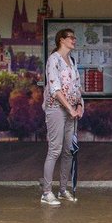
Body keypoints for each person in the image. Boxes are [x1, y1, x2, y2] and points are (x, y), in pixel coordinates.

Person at [41, 28, 84, 206]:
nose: (74, 40)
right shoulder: (54, 60)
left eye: (74, 37)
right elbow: (55, 89)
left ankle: (63, 189)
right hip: (56, 109)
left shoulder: (72, 61)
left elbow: (77, 86)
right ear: (61, 40)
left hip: (71, 110)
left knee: (68, 151)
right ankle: (46, 192)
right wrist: (70, 108)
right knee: (55, 150)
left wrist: (79, 105)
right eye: (71, 37)